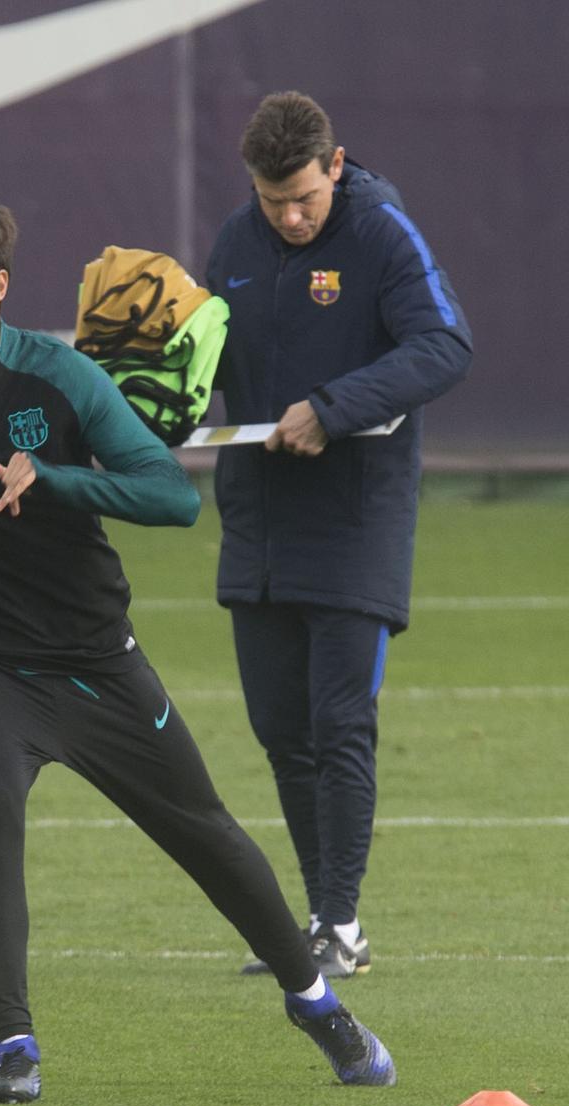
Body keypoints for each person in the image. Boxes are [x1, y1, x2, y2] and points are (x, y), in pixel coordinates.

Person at [0, 194, 395, 1101]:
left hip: (94, 657)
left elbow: (171, 495)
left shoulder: (61, 378)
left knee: (205, 832)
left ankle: (316, 1002)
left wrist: (57, 480)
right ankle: (13, 1047)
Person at [204, 93, 473, 979]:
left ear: (337, 164)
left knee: (339, 722)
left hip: (356, 518)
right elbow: (205, 367)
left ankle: (341, 923)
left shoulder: (381, 231)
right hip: (258, 521)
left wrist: (333, 407)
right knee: (280, 730)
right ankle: (318, 924)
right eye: (272, 199)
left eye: (305, 199)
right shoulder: (235, 242)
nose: (289, 217)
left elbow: (445, 343)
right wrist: (144, 370)